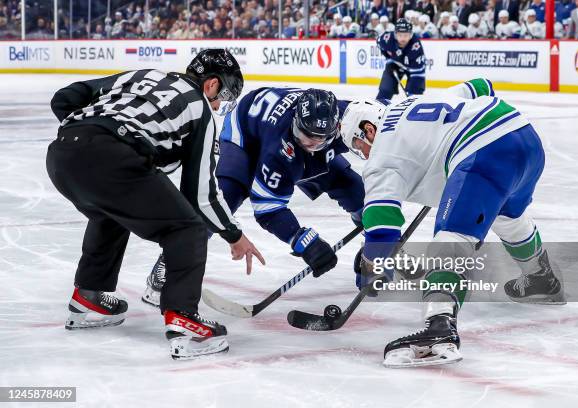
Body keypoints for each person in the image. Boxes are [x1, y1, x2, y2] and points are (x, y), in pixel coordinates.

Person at [47, 49, 264, 360]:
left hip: (61, 154)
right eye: (222, 97)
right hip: (112, 157)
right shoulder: (200, 110)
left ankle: (89, 295)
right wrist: (234, 235)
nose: (218, 106)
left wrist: (85, 135)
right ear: (212, 85)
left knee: (110, 211)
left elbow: (65, 97)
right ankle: (184, 321)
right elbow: (200, 195)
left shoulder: (143, 76)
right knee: (187, 228)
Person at [339, 78, 565, 368]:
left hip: (483, 152)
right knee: (507, 217)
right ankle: (541, 278)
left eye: (358, 146)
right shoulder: (413, 103)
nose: (362, 154)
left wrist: (372, 266)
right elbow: (481, 86)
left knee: (451, 238)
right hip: (524, 136)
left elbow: (383, 224)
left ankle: (440, 328)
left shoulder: (382, 153)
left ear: (368, 130)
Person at [142, 88, 365, 308]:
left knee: (353, 188)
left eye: (320, 139)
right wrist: (304, 241)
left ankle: (374, 252)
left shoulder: (351, 118)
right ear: (296, 120)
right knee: (223, 201)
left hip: (281, 141)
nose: (311, 144)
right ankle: (169, 265)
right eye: (305, 134)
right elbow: (268, 209)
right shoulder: (281, 146)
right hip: (246, 135)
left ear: (337, 127)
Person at [376, 18, 426, 100]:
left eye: (406, 35)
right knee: (386, 89)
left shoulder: (416, 47)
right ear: (395, 34)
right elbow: (379, 44)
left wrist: (412, 93)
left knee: (414, 95)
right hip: (394, 64)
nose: (403, 39)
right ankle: (380, 108)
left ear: (411, 35)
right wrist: (389, 59)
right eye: (400, 35)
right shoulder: (387, 39)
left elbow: (418, 72)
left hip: (414, 70)